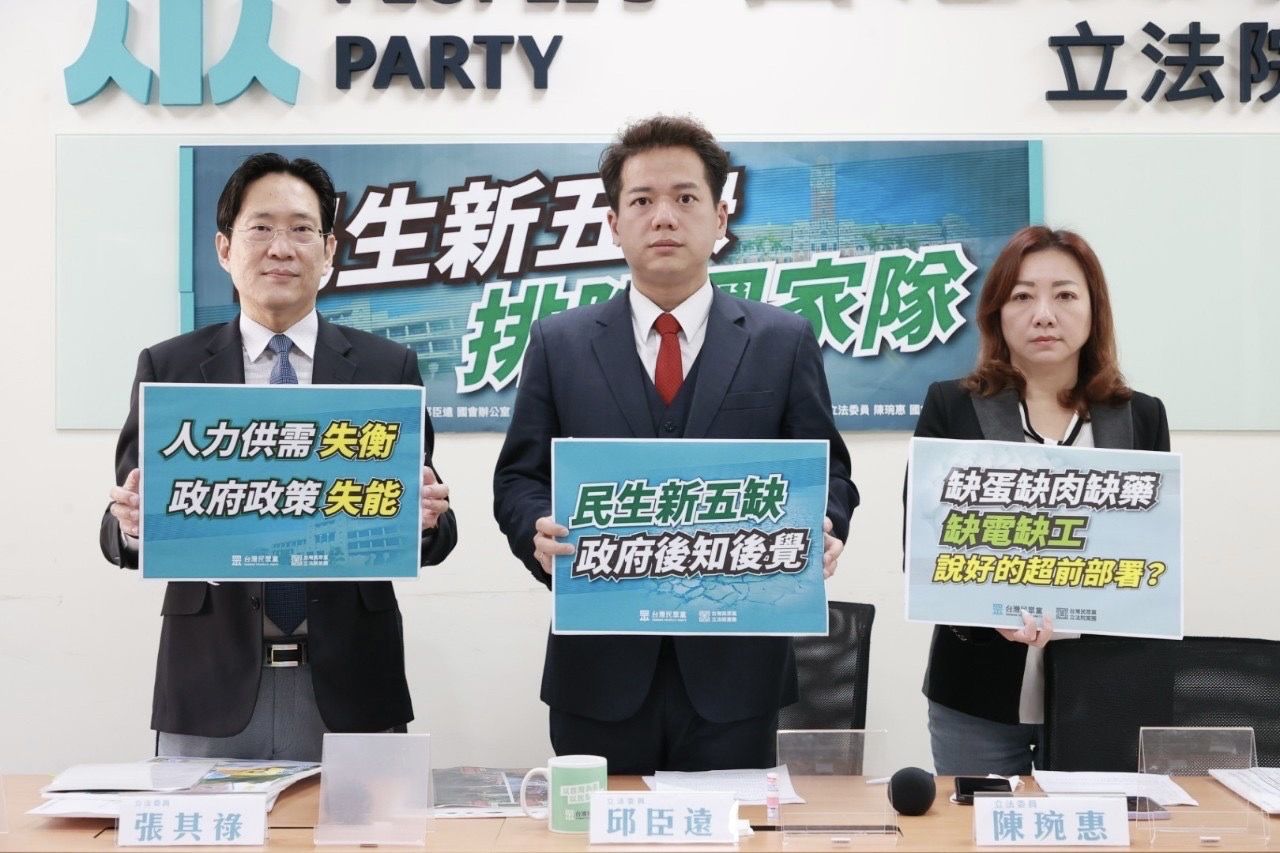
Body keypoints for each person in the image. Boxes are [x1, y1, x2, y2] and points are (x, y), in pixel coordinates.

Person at [492, 116, 859, 774]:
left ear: (720, 218)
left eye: (686, 198)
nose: (664, 216)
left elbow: (829, 471)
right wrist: (535, 529)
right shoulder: (559, 343)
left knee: (732, 827)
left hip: (737, 674)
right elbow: (518, 478)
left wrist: (826, 522)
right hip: (598, 671)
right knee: (597, 828)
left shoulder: (782, 340)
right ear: (614, 223)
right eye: (642, 200)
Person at [100, 153, 456, 761]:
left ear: (329, 250)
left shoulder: (385, 367)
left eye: (301, 229)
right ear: (224, 248)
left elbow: (434, 532)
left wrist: (426, 520)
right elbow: (120, 527)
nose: (281, 248)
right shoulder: (171, 367)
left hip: (350, 682)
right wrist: (132, 527)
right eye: (260, 228)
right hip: (210, 684)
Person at [914, 225, 1170, 775]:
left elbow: (1152, 554)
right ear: (995, 314)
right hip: (977, 688)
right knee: (977, 820)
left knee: (1095, 821)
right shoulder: (951, 408)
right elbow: (924, 548)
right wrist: (988, 611)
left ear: (1094, 310)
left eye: (1065, 295)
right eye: (1022, 296)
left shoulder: (1141, 416)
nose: (1044, 315)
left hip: (1102, 690)